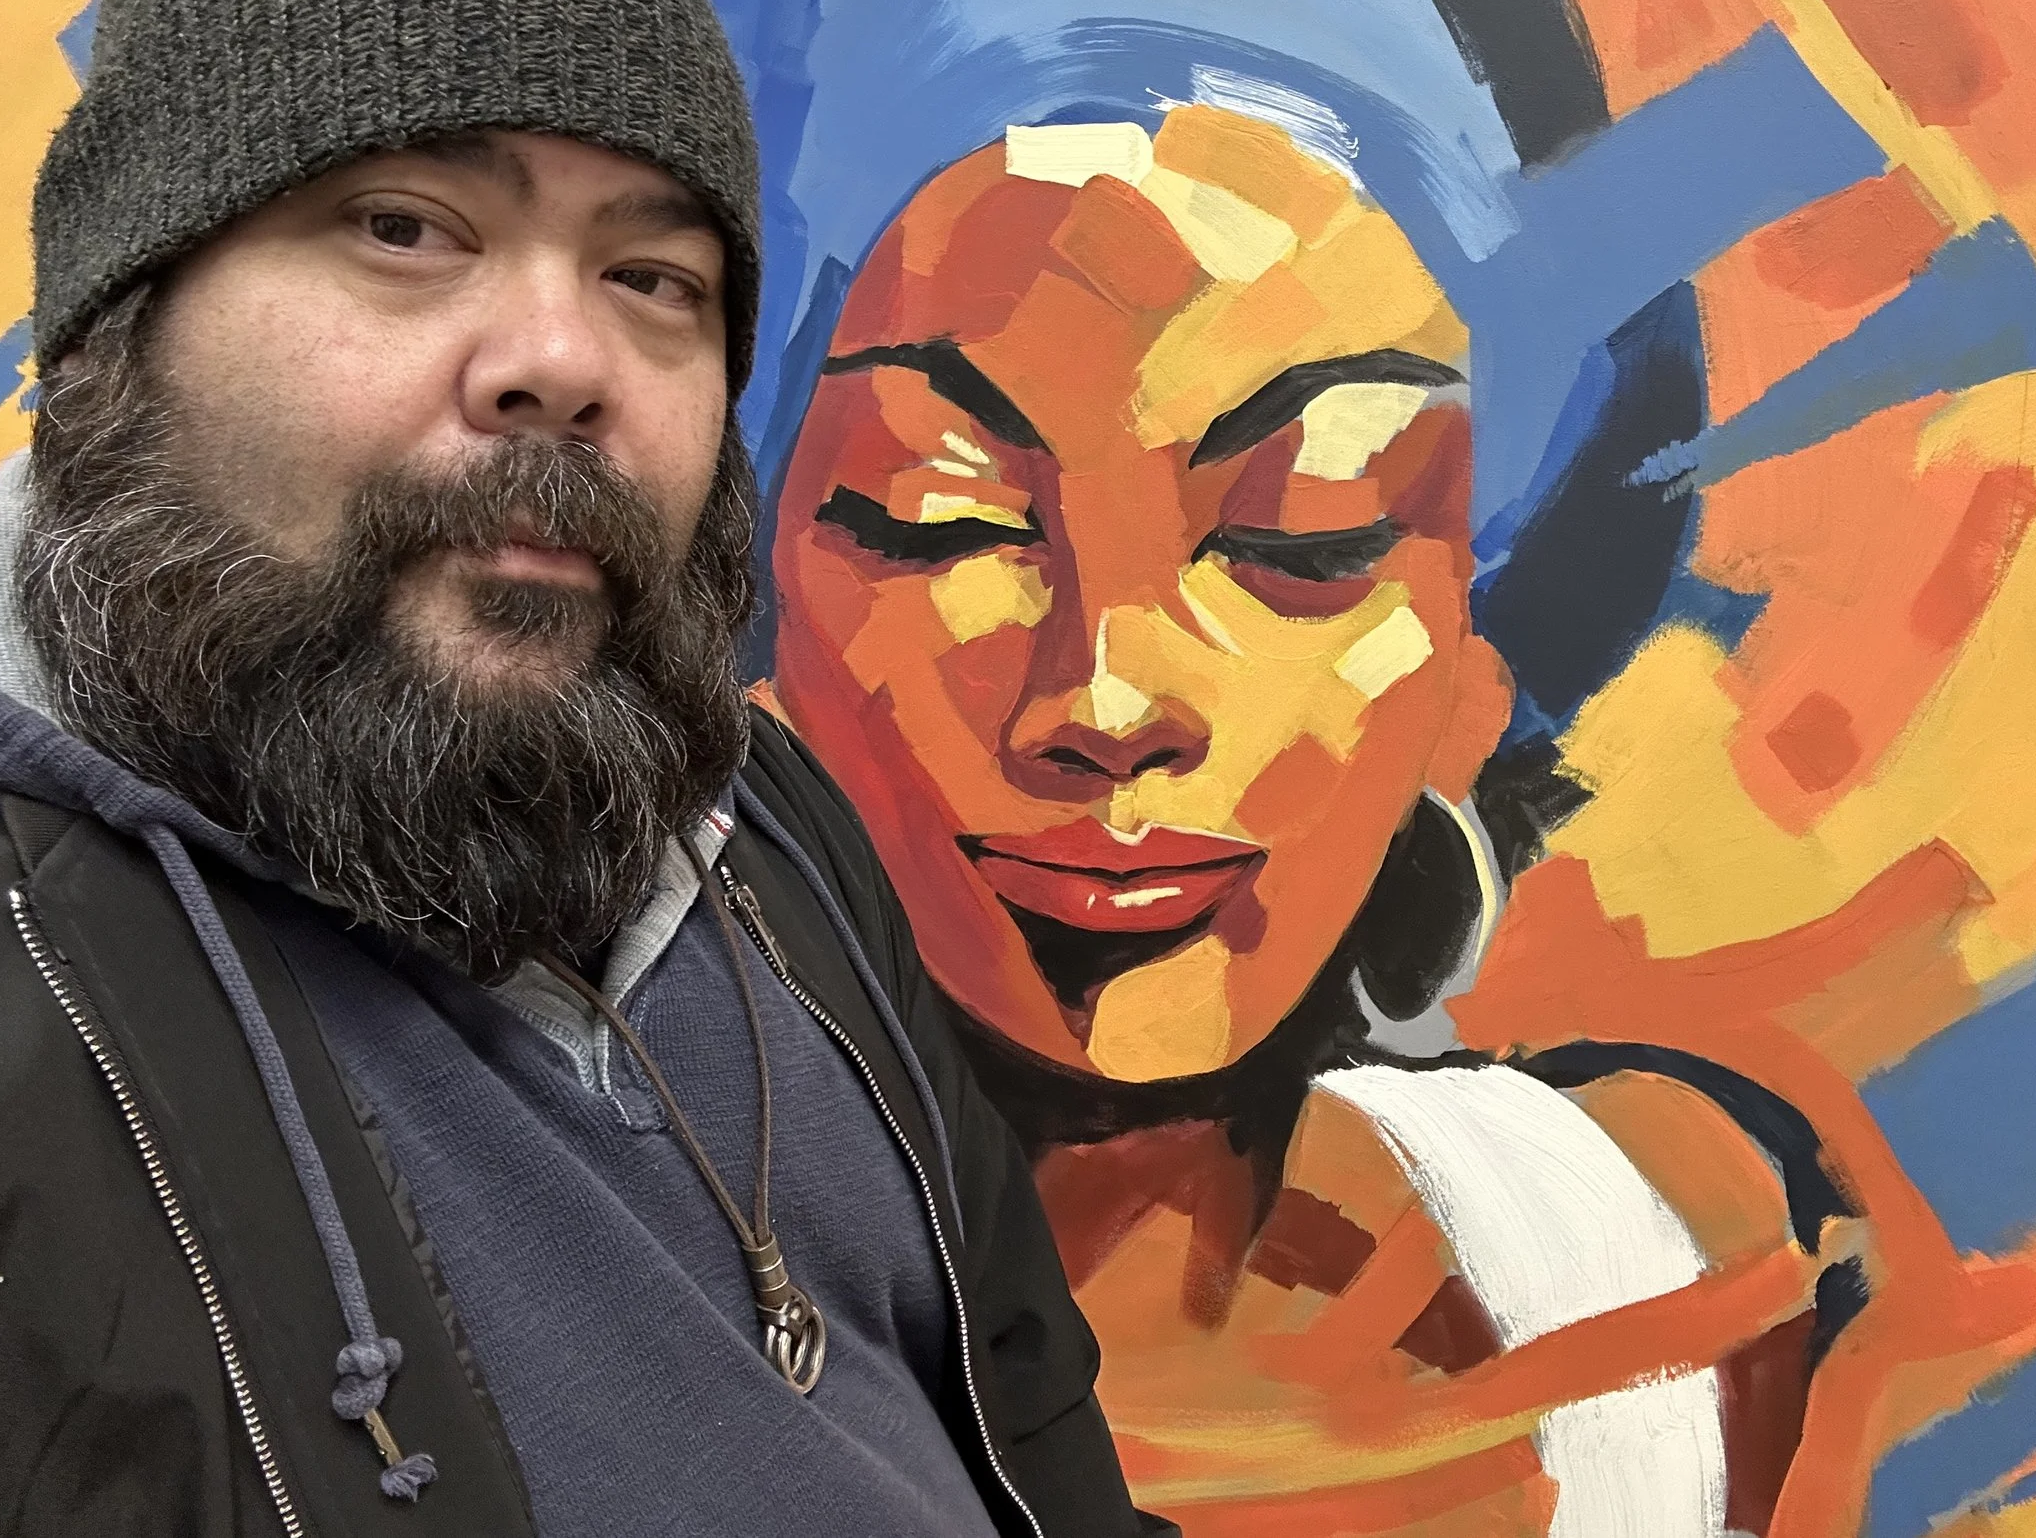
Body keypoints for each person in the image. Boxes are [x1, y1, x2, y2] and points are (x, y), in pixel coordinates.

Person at [0, 0, 1160, 1538]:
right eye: (404, 226)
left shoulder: (763, 819)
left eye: (653, 274)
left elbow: (1033, 1430)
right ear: (113, 332)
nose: (565, 358)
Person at [766, 105, 1880, 1534]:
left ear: (1472, 673)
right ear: (759, 646)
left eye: (1303, 529)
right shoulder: (617, 1321)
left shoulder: (1661, 1255)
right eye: (942, 518)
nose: (1108, 699)